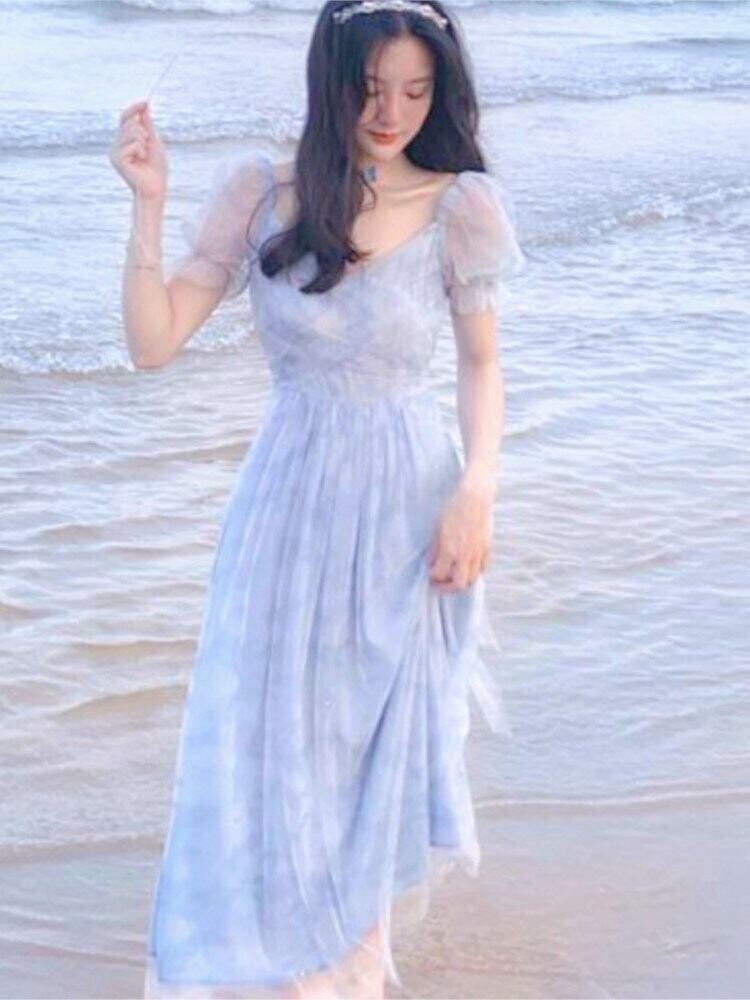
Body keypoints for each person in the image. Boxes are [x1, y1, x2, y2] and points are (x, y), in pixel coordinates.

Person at [110, 1, 525, 996]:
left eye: (415, 92)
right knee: (272, 741)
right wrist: (148, 205)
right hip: (286, 510)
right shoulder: (261, 193)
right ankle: (275, 959)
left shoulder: (461, 206)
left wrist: (478, 489)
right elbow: (153, 343)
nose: (391, 113)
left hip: (410, 511)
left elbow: (481, 366)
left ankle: (350, 969)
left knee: (378, 745)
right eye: (370, 88)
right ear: (328, 81)